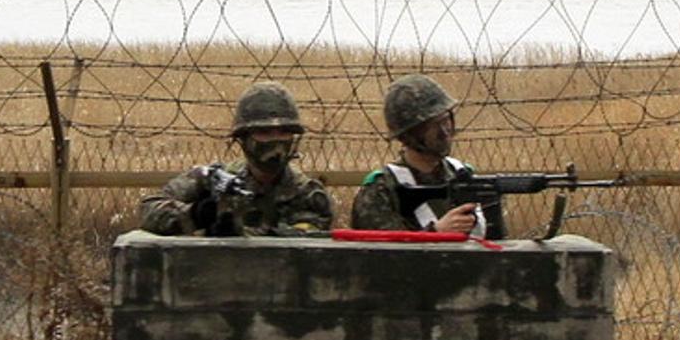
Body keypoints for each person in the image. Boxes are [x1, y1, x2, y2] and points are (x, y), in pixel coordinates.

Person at [140, 81, 333, 236]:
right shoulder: (213, 178)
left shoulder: (308, 196)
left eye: (284, 132)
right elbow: (149, 210)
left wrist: (235, 233)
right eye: (264, 132)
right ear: (244, 138)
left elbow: (294, 247)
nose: (276, 141)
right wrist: (195, 215)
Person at [351, 73, 505, 238]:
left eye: (446, 120)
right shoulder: (381, 191)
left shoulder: (463, 175)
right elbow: (384, 255)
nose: (445, 131)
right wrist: (436, 233)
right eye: (434, 125)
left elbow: (497, 247)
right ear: (409, 135)